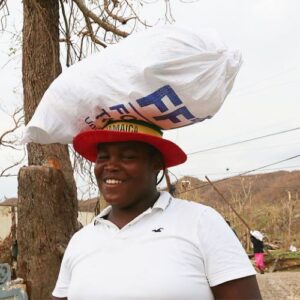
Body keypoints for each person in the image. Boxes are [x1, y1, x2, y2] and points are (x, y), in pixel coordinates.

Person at [52, 120, 262, 300]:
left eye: (128, 157)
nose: (111, 166)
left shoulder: (201, 222)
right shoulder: (81, 240)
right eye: (103, 157)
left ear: (157, 165)